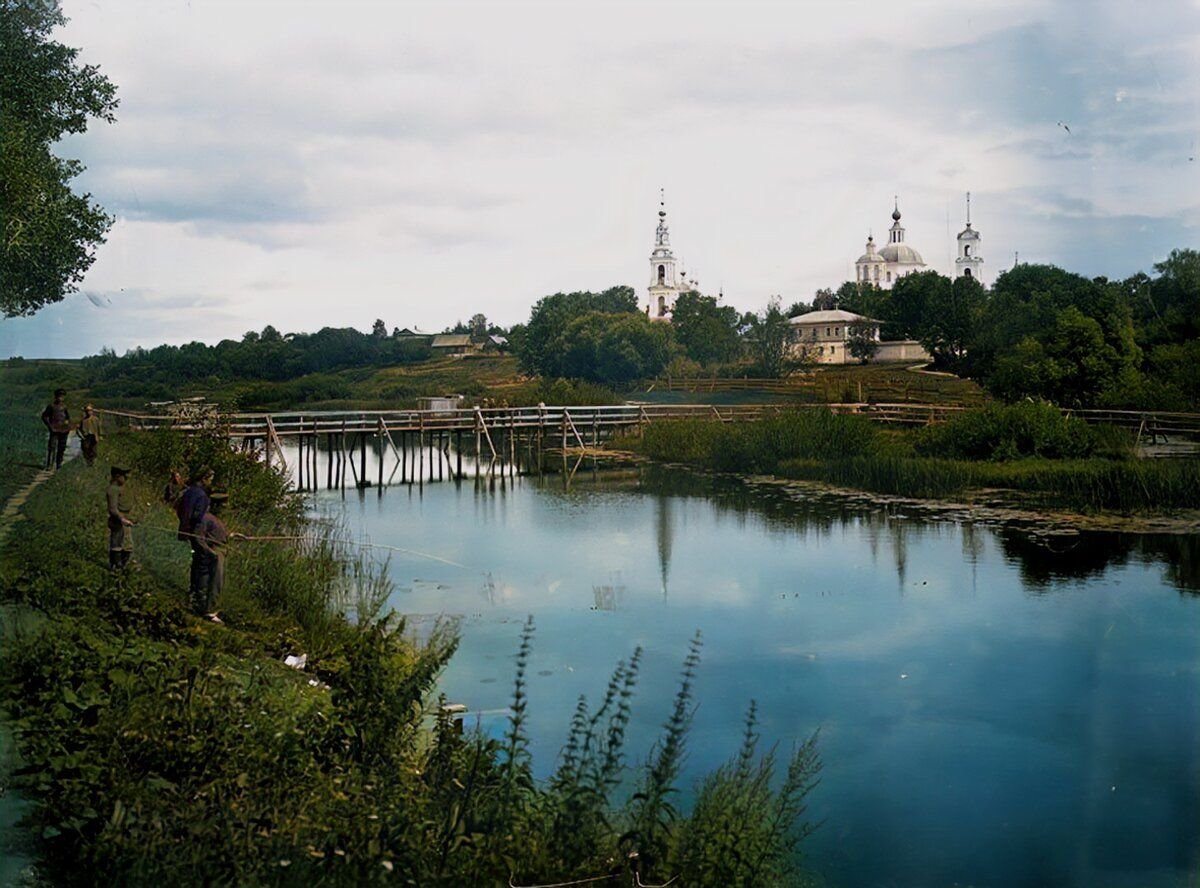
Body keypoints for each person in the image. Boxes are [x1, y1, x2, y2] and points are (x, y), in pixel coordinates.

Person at [177, 467, 214, 607]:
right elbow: (198, 516)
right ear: (204, 478)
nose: (210, 482)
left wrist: (183, 524)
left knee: (196, 561)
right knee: (202, 562)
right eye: (210, 479)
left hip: (185, 529)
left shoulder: (189, 491)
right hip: (196, 533)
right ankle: (198, 595)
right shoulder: (202, 496)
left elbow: (179, 508)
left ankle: (193, 591)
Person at [192, 492, 230, 622]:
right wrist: (210, 552)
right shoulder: (206, 518)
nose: (226, 507)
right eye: (223, 505)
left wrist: (233, 536)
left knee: (217, 582)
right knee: (213, 582)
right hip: (214, 552)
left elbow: (219, 535)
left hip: (221, 550)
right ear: (216, 505)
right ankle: (209, 611)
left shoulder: (218, 520)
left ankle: (210, 608)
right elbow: (198, 537)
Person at [106, 466, 135, 570]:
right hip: (118, 521)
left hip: (125, 520)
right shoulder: (112, 490)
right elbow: (112, 509)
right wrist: (122, 519)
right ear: (117, 476)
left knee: (128, 546)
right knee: (117, 544)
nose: (126, 478)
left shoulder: (120, 488)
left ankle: (121, 567)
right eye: (124, 476)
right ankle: (116, 567)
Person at [40, 388, 71, 470]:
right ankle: (49, 464)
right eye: (59, 396)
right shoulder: (51, 406)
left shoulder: (64, 407)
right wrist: (50, 426)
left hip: (64, 430)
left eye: (62, 396)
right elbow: (44, 416)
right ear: (55, 397)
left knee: (62, 447)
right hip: (54, 429)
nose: (60, 398)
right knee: (52, 447)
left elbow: (68, 417)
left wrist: (67, 423)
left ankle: (58, 464)